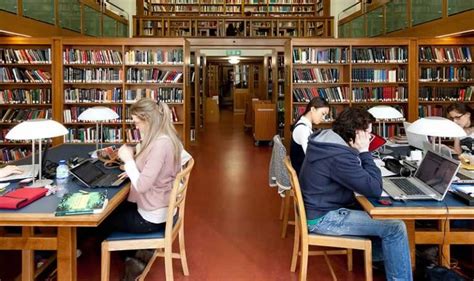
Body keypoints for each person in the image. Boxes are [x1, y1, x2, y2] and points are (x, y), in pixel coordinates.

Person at [299, 107, 413, 280]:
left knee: (376, 213)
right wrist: (365, 152)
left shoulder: (327, 141)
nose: (370, 137)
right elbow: (374, 189)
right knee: (395, 227)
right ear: (356, 134)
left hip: (318, 208)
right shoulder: (338, 155)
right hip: (324, 219)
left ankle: (383, 259)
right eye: (368, 133)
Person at [104, 98, 183, 235]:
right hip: (161, 206)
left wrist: (128, 160)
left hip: (151, 218)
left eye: (137, 123)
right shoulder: (166, 137)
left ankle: (130, 253)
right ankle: (133, 254)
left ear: (148, 120)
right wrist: (135, 171)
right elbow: (160, 170)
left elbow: (142, 186)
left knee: (103, 219)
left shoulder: (160, 145)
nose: (136, 127)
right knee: (119, 207)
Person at [290, 97, 329, 174]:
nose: (323, 118)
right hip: (304, 175)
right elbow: (311, 156)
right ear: (313, 109)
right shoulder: (303, 129)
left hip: (304, 171)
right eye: (323, 114)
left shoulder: (304, 124)